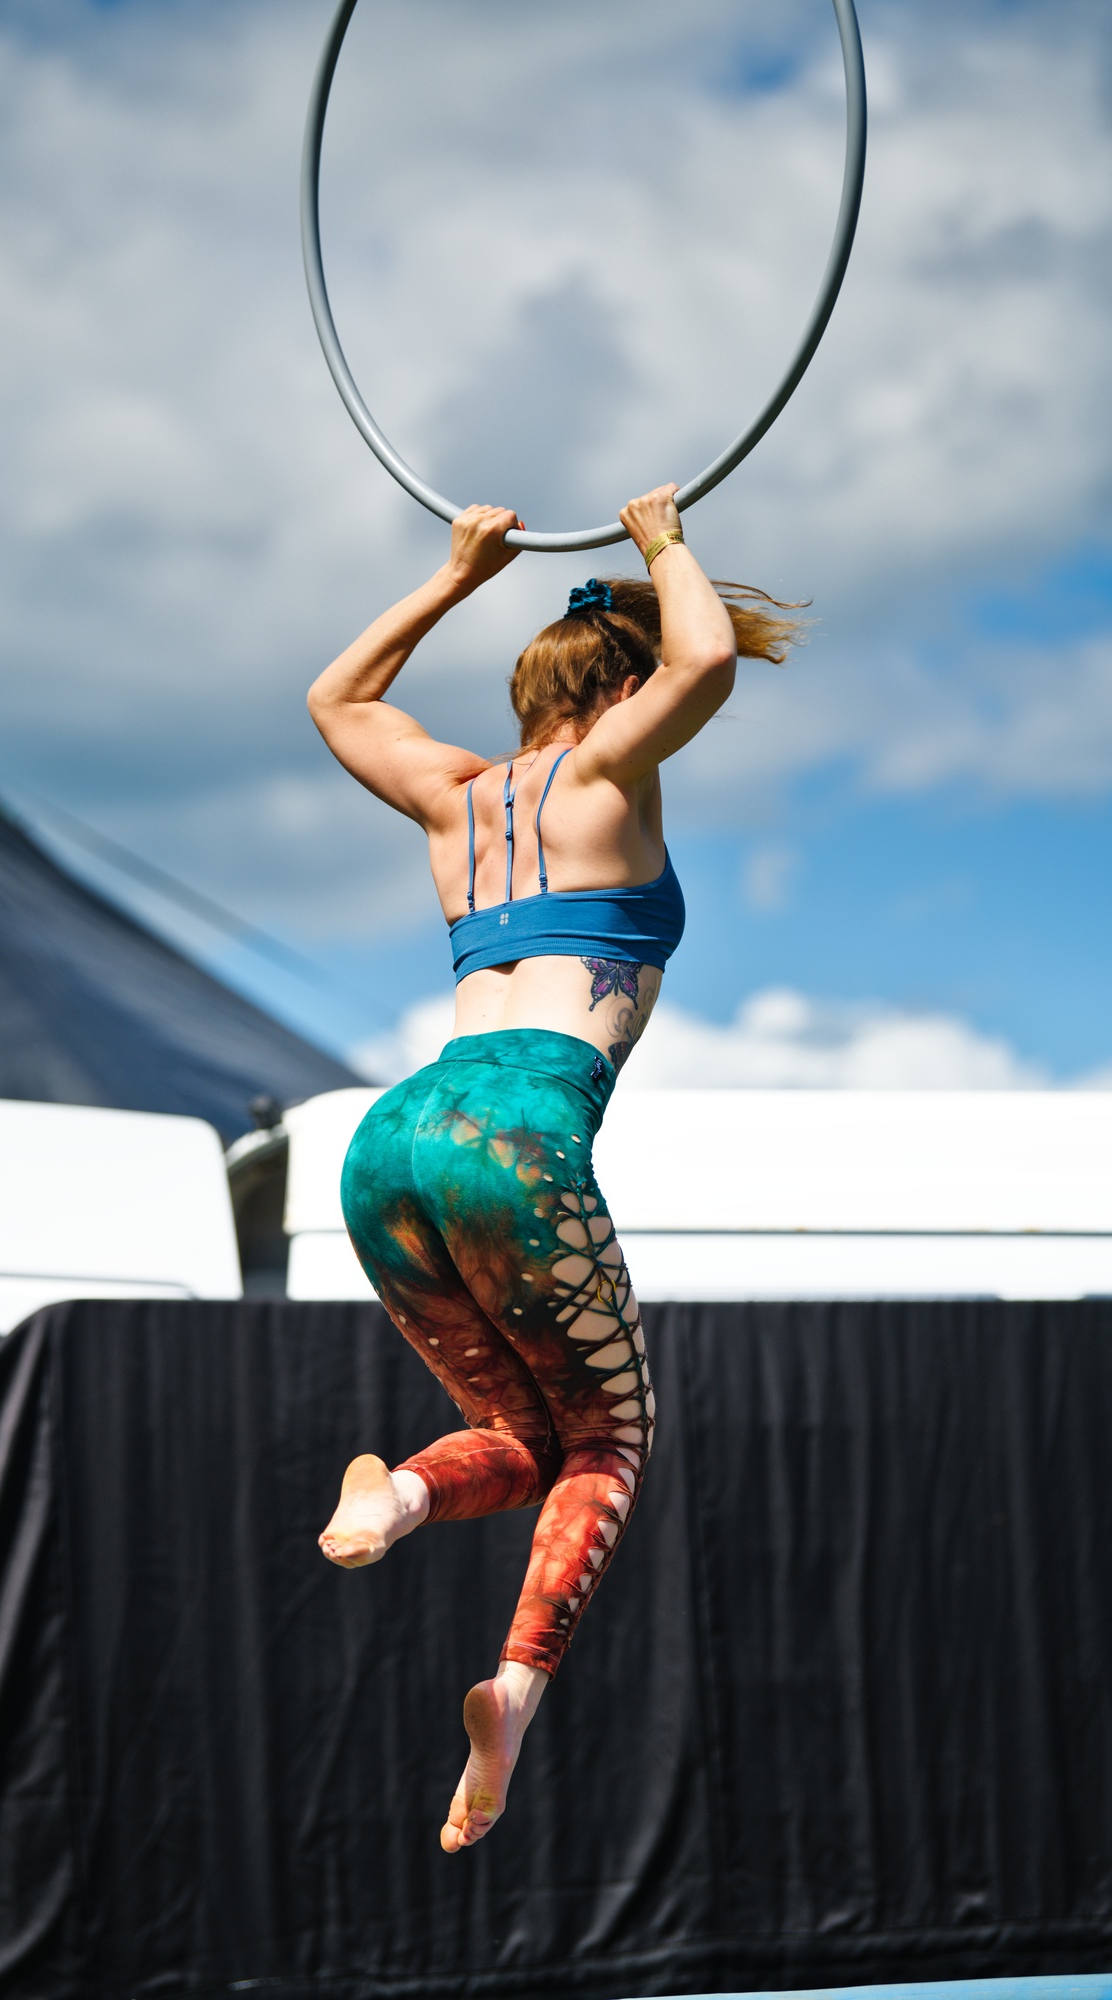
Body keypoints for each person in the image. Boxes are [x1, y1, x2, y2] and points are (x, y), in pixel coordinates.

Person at [307, 483, 802, 1853]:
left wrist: (455, 575)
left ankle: (399, 1497)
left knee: (526, 1438)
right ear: (621, 695)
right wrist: (664, 541)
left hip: (391, 1135)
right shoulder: (603, 779)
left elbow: (337, 702)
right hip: (520, 1133)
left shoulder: (454, 796)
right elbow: (706, 658)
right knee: (608, 1440)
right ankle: (515, 1698)